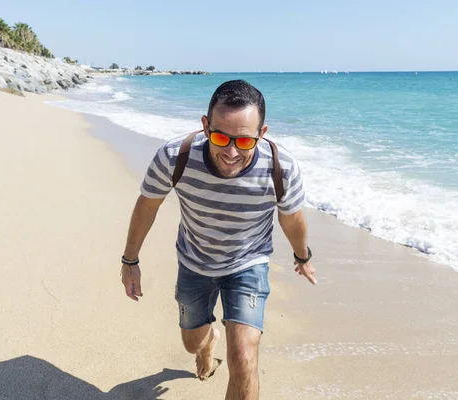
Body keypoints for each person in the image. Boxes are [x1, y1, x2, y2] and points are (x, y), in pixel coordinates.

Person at [120, 79, 316, 399]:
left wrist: (303, 257)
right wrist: (130, 260)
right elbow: (148, 206)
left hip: (248, 263)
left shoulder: (280, 168)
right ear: (205, 126)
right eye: (221, 136)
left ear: (261, 134)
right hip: (195, 261)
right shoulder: (175, 157)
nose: (230, 151)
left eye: (244, 141)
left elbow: (291, 218)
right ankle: (208, 343)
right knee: (192, 342)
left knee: (244, 358)